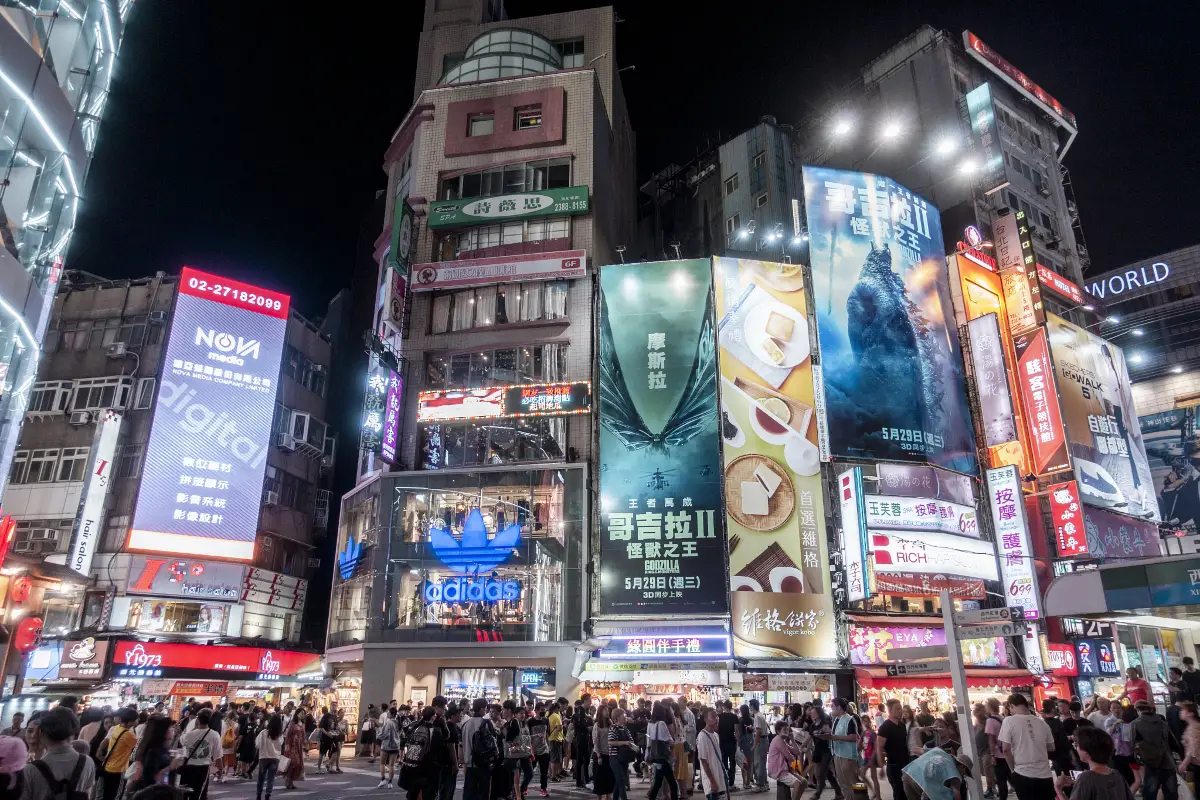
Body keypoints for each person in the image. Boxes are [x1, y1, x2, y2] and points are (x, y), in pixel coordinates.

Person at [21, 706, 95, 799]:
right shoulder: (87, 762)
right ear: (72, 734)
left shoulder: (30, 769)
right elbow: (88, 795)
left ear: (42, 733)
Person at [997, 694, 1054, 800]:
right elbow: (1051, 747)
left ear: (1011, 705)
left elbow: (1006, 749)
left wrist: (1012, 770)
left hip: (1022, 773)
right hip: (1045, 773)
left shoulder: (1009, 721)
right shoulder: (1042, 722)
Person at [1065, 725, 1134, 800]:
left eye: (1076, 745)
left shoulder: (1086, 778)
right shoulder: (1117, 774)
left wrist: (1058, 790)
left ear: (1087, 751)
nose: (1076, 748)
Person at [1132, 699, 1178, 800]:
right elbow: (1174, 742)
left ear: (1137, 710)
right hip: (1168, 763)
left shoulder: (1136, 723)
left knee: (1150, 794)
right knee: (1171, 795)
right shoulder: (1162, 722)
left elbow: (1133, 744)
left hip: (1151, 764)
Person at [127, 715, 181, 793]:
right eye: (169, 727)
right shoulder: (152, 752)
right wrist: (171, 767)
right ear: (161, 731)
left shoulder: (163, 748)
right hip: (152, 794)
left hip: (162, 792)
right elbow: (150, 779)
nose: (172, 730)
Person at [178, 708, 223, 800]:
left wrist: (194, 728)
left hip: (188, 768)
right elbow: (217, 755)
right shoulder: (215, 735)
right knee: (200, 794)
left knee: (185, 793)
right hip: (203, 768)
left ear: (198, 720)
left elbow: (181, 741)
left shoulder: (189, 735)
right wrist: (221, 769)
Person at [900, 747, 973, 800]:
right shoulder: (955, 774)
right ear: (963, 767)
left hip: (909, 774)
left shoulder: (939, 751)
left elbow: (915, 750)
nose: (963, 776)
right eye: (965, 774)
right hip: (921, 785)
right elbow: (957, 795)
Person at [97, 707, 137, 800]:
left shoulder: (116, 729)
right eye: (135, 720)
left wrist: (99, 751)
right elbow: (136, 748)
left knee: (107, 794)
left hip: (108, 767)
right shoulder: (129, 735)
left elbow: (106, 741)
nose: (137, 722)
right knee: (116, 796)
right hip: (119, 770)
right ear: (130, 722)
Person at [877, 699, 911, 800]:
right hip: (893, 766)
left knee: (906, 793)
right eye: (897, 709)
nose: (900, 711)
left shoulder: (902, 726)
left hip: (905, 764)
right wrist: (881, 766)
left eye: (900, 709)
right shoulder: (885, 727)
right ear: (890, 710)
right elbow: (879, 747)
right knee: (899, 793)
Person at [463, 698, 496, 800]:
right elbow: (493, 743)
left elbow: (462, 744)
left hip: (469, 764)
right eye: (485, 708)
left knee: (469, 793)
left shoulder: (466, 724)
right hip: (484, 763)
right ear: (482, 708)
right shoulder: (487, 723)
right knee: (483, 793)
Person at [828, 699, 860, 800]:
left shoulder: (849, 719)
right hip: (837, 754)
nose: (831, 708)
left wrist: (836, 737)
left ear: (839, 707)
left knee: (852, 782)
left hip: (848, 756)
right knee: (842, 782)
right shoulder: (836, 719)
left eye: (832, 706)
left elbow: (854, 737)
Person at [648, 703, 680, 800]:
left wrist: (647, 754)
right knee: (672, 783)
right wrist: (674, 743)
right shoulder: (661, 723)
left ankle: (651, 797)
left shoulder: (650, 723)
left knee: (658, 782)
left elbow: (648, 741)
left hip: (654, 755)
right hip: (663, 756)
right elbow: (668, 739)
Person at [768, 720, 806, 800]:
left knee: (804, 782)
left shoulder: (783, 741)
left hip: (785, 769)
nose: (787, 731)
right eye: (785, 729)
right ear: (778, 731)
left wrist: (792, 740)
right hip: (778, 771)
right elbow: (790, 757)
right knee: (797, 784)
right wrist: (795, 762)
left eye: (787, 729)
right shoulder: (778, 740)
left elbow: (797, 752)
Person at [609, 707, 638, 800]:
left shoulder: (625, 728)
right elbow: (610, 742)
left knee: (620, 781)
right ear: (617, 718)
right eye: (623, 715)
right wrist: (624, 743)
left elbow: (631, 740)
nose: (625, 717)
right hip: (615, 758)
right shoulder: (613, 728)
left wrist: (634, 747)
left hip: (624, 758)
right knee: (621, 781)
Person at [1039, 700, 1072, 777]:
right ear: (1053, 709)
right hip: (1063, 755)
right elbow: (1063, 740)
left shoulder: (1042, 723)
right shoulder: (1057, 722)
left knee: (1060, 776)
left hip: (1052, 755)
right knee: (1069, 777)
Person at [592, 705, 615, 800]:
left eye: (607, 710)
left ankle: (608, 797)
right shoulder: (597, 725)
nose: (607, 712)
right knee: (599, 778)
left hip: (609, 753)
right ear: (600, 712)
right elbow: (595, 741)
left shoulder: (610, 722)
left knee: (609, 777)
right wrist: (598, 756)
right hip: (600, 754)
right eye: (605, 710)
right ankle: (599, 798)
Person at [283, 709, 308, 790]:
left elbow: (304, 736)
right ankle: (288, 780)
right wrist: (287, 746)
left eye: (304, 714)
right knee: (293, 763)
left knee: (298, 764)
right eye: (301, 713)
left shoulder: (302, 724)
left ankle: (291, 781)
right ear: (297, 714)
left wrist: (305, 745)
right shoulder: (292, 723)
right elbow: (288, 735)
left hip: (299, 747)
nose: (302, 715)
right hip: (292, 746)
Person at [716, 702, 738, 790]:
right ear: (731, 707)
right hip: (731, 742)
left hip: (721, 742)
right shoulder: (734, 717)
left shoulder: (719, 716)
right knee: (732, 762)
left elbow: (716, 729)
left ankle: (725, 781)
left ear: (724, 707)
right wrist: (737, 741)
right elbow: (736, 731)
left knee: (723, 762)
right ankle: (731, 783)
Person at [751, 699, 770, 793]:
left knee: (759, 763)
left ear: (752, 706)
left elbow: (758, 732)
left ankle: (760, 785)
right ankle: (765, 783)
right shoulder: (759, 715)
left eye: (750, 705)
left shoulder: (757, 716)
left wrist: (754, 744)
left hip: (761, 741)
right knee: (762, 763)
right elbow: (758, 729)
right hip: (764, 740)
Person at [861, 715, 881, 800]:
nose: (866, 723)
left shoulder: (873, 734)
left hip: (871, 757)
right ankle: (873, 791)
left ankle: (878, 797)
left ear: (869, 721)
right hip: (866, 757)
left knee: (874, 777)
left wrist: (872, 758)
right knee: (862, 774)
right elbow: (862, 745)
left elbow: (875, 747)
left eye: (867, 721)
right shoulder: (863, 733)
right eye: (864, 721)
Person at [738, 706, 755, 792]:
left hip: (743, 741)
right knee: (750, 763)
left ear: (741, 711)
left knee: (743, 763)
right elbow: (754, 730)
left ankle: (744, 782)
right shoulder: (752, 719)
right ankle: (748, 782)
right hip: (751, 740)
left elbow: (738, 732)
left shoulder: (740, 720)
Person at [548, 700, 565, 784]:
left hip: (550, 739)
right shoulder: (556, 715)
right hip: (556, 739)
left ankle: (551, 774)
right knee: (555, 759)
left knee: (552, 758)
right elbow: (559, 727)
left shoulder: (548, 714)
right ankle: (553, 776)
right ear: (557, 709)